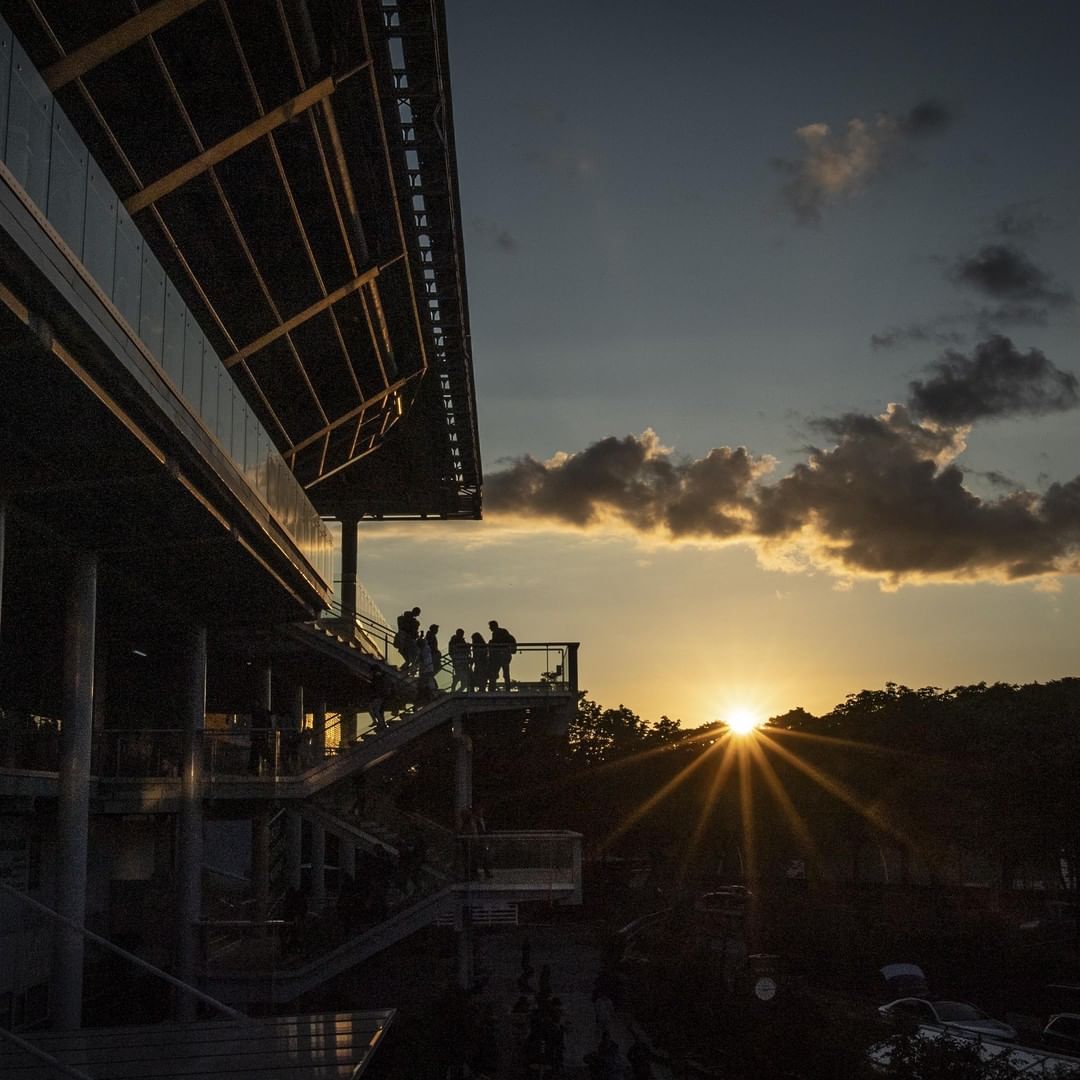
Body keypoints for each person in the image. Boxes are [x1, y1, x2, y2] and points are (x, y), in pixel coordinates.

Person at [487, 620, 517, 689]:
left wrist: (491, 643)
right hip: (504, 655)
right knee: (505, 672)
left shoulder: (497, 633)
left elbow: (497, 643)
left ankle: (493, 687)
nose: (489, 628)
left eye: (490, 626)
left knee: (496, 672)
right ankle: (507, 687)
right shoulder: (502, 632)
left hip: (500, 655)